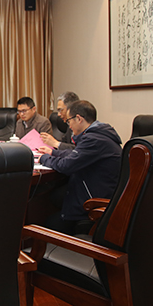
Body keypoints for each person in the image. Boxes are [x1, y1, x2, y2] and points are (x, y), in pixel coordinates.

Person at [37, 100, 122, 234]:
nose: (69, 126)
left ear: (79, 119)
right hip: (97, 191)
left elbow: (66, 166)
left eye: (69, 121)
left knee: (46, 221)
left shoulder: (93, 140)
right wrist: (53, 152)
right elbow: (77, 154)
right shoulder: (99, 135)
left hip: (93, 203)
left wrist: (44, 158)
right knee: (53, 197)